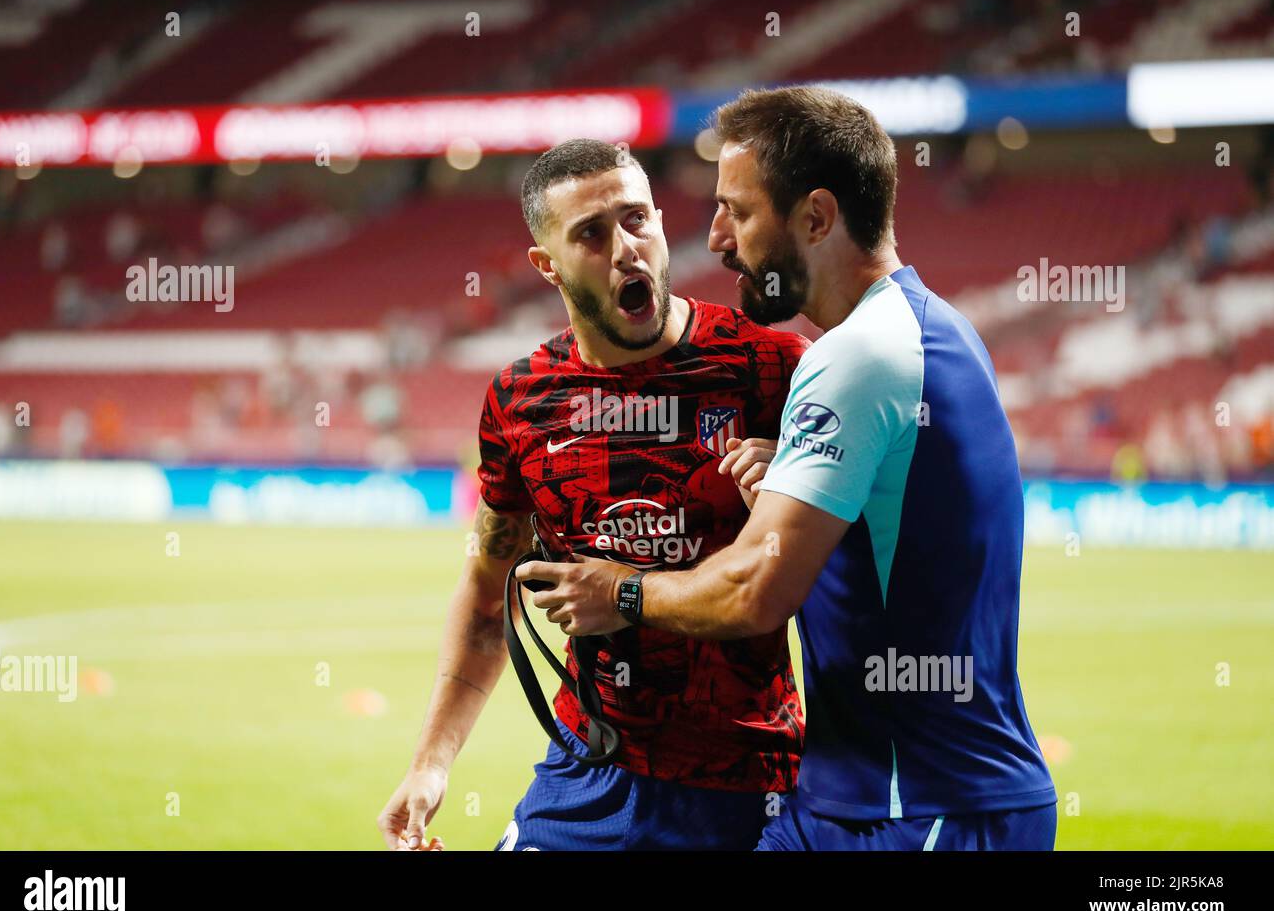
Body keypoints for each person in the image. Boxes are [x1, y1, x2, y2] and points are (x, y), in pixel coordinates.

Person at [517, 88, 1058, 851]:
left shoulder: (856, 356)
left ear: (814, 218)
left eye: (737, 212)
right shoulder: (927, 327)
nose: (716, 240)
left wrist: (621, 591)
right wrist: (797, 471)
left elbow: (755, 590)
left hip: (917, 806)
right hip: (879, 797)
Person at [377, 138, 809, 851]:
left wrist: (794, 480)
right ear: (546, 266)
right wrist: (430, 765)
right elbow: (490, 602)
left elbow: (875, 557)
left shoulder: (771, 368)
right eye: (590, 234)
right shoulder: (522, 400)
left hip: (748, 782)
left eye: (637, 220)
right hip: (588, 772)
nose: (625, 249)